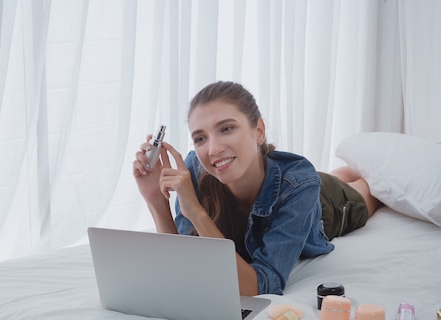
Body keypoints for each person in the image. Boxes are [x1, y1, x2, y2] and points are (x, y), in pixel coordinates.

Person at [133, 81, 381, 296]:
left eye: (227, 129)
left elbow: (261, 286)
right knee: (336, 175)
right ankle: (346, 170)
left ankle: (359, 170)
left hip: (321, 202)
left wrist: (196, 213)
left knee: (370, 189)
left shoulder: (300, 185)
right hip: (288, 178)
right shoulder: (193, 171)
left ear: (259, 131)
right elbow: (182, 261)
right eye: (200, 138)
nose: (213, 149)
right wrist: (155, 199)